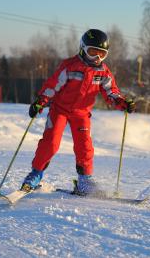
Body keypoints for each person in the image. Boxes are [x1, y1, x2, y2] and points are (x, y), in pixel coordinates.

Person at [21, 29, 135, 195]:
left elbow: (111, 91)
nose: (97, 58)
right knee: (51, 143)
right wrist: (40, 101)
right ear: (83, 49)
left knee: (84, 146)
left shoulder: (102, 72)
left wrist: (122, 102)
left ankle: (84, 181)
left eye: (102, 54)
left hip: (82, 113)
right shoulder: (70, 66)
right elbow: (53, 85)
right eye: (93, 52)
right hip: (60, 110)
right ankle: (35, 174)